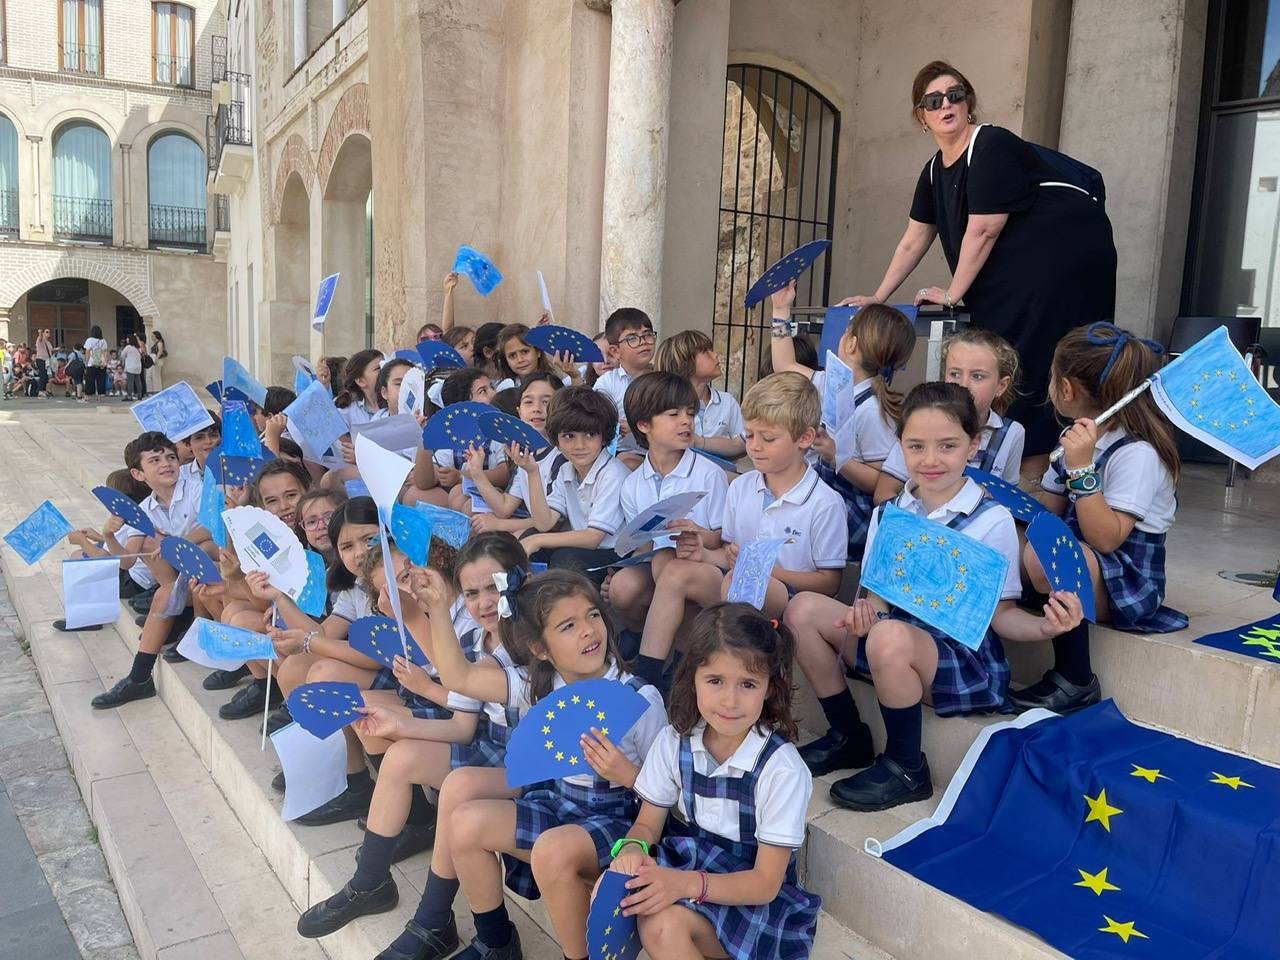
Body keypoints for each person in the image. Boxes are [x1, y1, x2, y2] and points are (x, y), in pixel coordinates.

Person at [784, 382, 1083, 810]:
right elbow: (877, 599)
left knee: (888, 637)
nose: (930, 460)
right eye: (916, 446)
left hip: (960, 661)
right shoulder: (890, 512)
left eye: (947, 445)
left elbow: (1001, 616)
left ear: (973, 444)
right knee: (802, 609)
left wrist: (1046, 628)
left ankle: (906, 766)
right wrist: (866, 613)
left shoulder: (991, 520)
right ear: (900, 446)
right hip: (894, 642)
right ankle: (848, 733)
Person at [840, 60, 1117, 481]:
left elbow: (986, 228)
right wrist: (878, 296)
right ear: (921, 115)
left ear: (968, 103)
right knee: (1001, 359)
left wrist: (952, 293)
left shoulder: (990, 144)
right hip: (1013, 276)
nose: (946, 105)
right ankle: (1012, 471)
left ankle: (1038, 475)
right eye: (934, 100)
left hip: (1058, 265)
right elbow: (915, 238)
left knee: (1033, 362)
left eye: (955, 95)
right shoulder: (934, 171)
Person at [381, 568, 666, 960]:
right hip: (557, 804)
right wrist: (437, 608)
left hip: (616, 820)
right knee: (464, 822)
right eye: (568, 625)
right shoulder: (541, 685)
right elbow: (459, 677)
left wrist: (626, 773)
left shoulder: (639, 699)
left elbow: (667, 797)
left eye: (593, 615)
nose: (588, 630)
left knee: (552, 849)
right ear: (540, 649)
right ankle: (495, 942)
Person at [294, 533, 531, 939]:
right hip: (486, 742)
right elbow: (462, 725)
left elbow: (451, 684)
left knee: (455, 787)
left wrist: (416, 618)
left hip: (528, 761)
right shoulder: (476, 637)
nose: (484, 602)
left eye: (493, 588)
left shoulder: (525, 642)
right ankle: (370, 882)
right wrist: (397, 725)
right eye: (474, 593)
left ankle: (433, 917)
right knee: (401, 754)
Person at [608, 603, 820, 960]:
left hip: (753, 896)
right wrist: (632, 849)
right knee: (613, 887)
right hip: (694, 862)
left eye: (748, 684)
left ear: (770, 688)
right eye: (715, 681)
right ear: (693, 677)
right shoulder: (675, 741)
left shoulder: (782, 769)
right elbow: (647, 824)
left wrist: (683, 885)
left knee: (660, 925)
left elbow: (765, 883)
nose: (730, 701)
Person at [1011, 322, 1185, 714]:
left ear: (1066, 388)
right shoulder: (1076, 439)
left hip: (1126, 579)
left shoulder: (1137, 453)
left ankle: (1076, 678)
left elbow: (1107, 539)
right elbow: (1050, 514)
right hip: (1085, 558)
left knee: (1048, 554)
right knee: (1004, 536)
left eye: (1052, 377)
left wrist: (1081, 470)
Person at [633, 373, 847, 689]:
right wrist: (703, 552)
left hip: (789, 599)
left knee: (737, 581)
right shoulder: (741, 487)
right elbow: (727, 553)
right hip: (735, 586)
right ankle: (646, 683)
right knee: (676, 571)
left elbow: (830, 583)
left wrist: (767, 571)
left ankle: (712, 676)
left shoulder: (824, 502)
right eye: (748, 435)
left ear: (804, 438)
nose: (754, 447)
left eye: (768, 438)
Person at [771, 283, 915, 560]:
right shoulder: (831, 383)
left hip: (850, 514)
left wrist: (837, 456)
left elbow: (880, 482)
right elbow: (785, 366)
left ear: (851, 343)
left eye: (847, 330)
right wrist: (780, 310)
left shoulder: (872, 410)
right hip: (824, 497)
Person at [92, 432, 210, 708]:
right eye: (155, 460)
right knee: (149, 546)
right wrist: (108, 535)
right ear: (138, 473)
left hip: (214, 574)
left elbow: (213, 527)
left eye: (170, 457)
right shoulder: (144, 508)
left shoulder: (197, 489)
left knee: (200, 550)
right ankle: (141, 676)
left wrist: (175, 543)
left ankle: (143, 674)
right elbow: (127, 561)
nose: (166, 464)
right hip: (184, 582)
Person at [607, 372, 729, 635]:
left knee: (665, 562)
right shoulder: (633, 485)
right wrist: (620, 568)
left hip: (702, 569)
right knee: (622, 587)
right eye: (673, 414)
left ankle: (673, 648)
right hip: (657, 568)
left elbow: (721, 539)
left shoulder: (709, 475)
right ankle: (642, 638)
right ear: (643, 424)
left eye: (690, 413)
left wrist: (696, 534)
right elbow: (643, 547)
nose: (686, 421)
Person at [874, 327, 1024, 503]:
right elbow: (883, 494)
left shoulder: (1012, 434)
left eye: (977, 376)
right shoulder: (921, 424)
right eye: (955, 374)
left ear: (1001, 386)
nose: (964, 384)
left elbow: (1010, 498)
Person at [514, 386, 631, 581]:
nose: (579, 445)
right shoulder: (565, 470)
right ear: (556, 440)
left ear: (604, 437)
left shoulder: (613, 473)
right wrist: (532, 472)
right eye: (569, 436)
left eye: (589, 435)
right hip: (584, 549)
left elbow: (593, 538)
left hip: (614, 555)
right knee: (529, 539)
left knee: (565, 559)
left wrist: (538, 540)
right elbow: (544, 523)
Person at [653, 329, 747, 461]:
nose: (715, 355)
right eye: (706, 352)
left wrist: (700, 443)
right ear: (685, 363)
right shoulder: (667, 407)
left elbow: (745, 445)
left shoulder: (727, 402)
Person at [594, 308, 657, 469]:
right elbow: (596, 423)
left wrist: (637, 428)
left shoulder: (665, 379)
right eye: (632, 338)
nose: (643, 342)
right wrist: (618, 428)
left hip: (663, 451)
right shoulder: (606, 383)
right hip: (621, 453)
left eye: (647, 335)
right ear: (615, 351)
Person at [83, 325, 109, 399]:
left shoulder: (89, 340)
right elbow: (105, 352)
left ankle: (87, 396)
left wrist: (86, 361)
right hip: (101, 363)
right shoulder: (103, 341)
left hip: (92, 363)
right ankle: (100, 396)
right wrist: (105, 362)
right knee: (101, 380)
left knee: (89, 380)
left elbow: (87, 351)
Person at [120, 335, 145, 401]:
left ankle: (129, 396)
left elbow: (122, 355)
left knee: (130, 382)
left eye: (127, 338)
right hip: (138, 367)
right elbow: (141, 356)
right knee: (138, 382)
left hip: (130, 367)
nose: (127, 339)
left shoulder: (128, 347)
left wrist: (127, 357)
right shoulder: (138, 348)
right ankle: (140, 395)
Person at [34, 328, 54, 397]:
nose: (48, 333)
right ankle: (40, 391)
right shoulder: (40, 339)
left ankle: (44, 390)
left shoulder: (48, 342)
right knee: (42, 375)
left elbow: (50, 350)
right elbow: (40, 337)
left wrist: (56, 349)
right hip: (40, 359)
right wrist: (40, 332)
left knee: (45, 376)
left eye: (49, 332)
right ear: (43, 333)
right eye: (46, 332)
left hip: (47, 360)